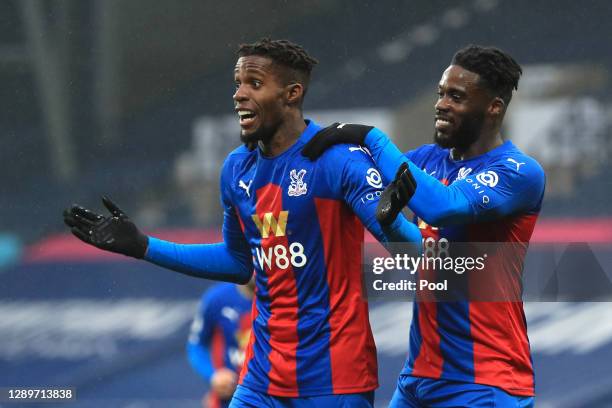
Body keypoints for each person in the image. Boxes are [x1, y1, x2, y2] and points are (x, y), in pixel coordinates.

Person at [63, 38, 422, 408]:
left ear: (291, 94)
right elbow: (238, 261)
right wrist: (144, 246)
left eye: (253, 83)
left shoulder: (337, 160)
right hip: (261, 376)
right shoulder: (237, 168)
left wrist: (393, 222)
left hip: (333, 381)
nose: (238, 95)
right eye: (237, 83)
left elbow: (416, 256)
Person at [302, 45, 545, 407]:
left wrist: (370, 138)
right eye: (441, 93)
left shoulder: (519, 172)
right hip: (419, 378)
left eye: (456, 96)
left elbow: (442, 208)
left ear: (493, 107)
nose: (441, 104)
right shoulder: (426, 160)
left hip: (485, 384)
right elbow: (416, 252)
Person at [187, 281, 254, 408]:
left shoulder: (288, 299)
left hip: (273, 396)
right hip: (229, 398)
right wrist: (213, 375)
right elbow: (196, 345)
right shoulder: (218, 298)